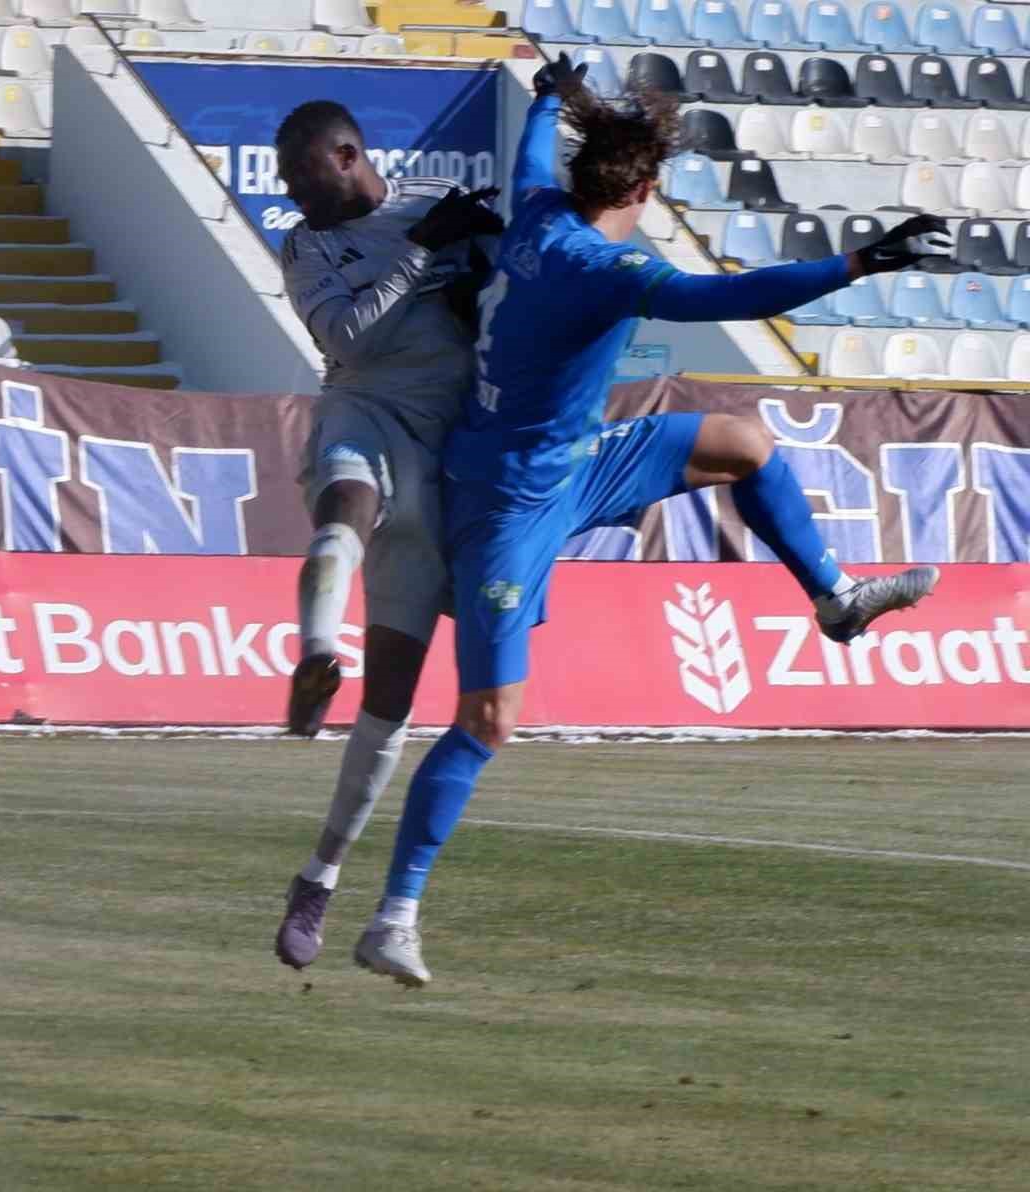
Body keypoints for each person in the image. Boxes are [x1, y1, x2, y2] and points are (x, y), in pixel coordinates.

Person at [353, 57, 947, 987]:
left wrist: (548, 97)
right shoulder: (606, 265)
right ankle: (394, 914)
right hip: (507, 502)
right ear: (646, 187)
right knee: (488, 716)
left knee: (743, 443)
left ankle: (834, 600)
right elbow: (731, 297)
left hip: (571, 463)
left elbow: (531, 151)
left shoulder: (540, 211)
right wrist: (862, 261)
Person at [270, 100, 505, 969]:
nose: (295, 196)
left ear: (346, 154)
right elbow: (344, 335)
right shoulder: (305, 247)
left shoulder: (433, 200)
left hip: (445, 445)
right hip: (363, 407)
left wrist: (487, 255)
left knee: (396, 700)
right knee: (343, 506)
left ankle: (319, 878)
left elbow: (502, 296)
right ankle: (317, 651)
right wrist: (419, 252)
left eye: (303, 177)